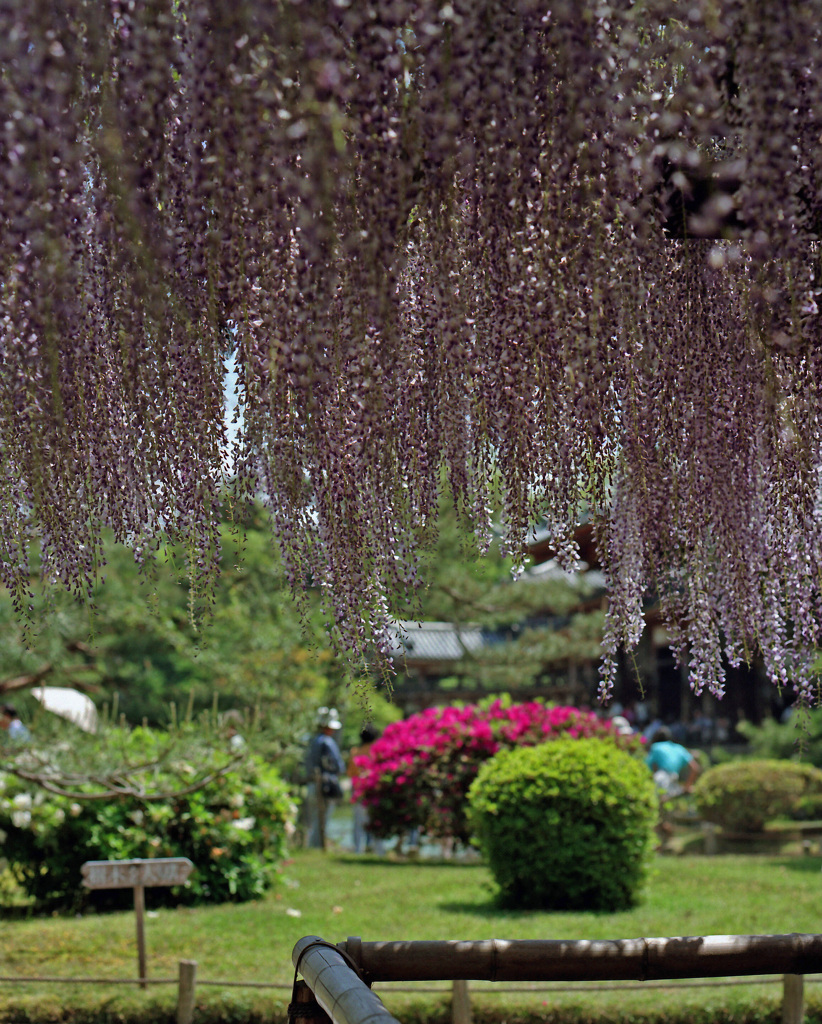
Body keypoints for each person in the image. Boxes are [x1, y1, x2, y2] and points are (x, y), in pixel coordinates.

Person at [304, 706, 346, 849]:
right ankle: (316, 846)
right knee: (322, 818)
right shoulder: (327, 742)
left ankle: (311, 845)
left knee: (313, 818)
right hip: (324, 785)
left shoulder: (313, 741)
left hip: (312, 783)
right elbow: (338, 766)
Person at [349, 723, 384, 855]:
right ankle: (379, 850)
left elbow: (350, 774)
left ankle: (358, 849)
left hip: (358, 791)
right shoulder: (377, 751)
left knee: (358, 823)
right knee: (376, 821)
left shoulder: (354, 752)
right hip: (374, 791)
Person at [645, 726, 701, 798]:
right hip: (674, 778)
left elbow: (646, 767)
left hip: (661, 777)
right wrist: (687, 786)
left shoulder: (656, 746)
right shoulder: (679, 748)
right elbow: (695, 768)